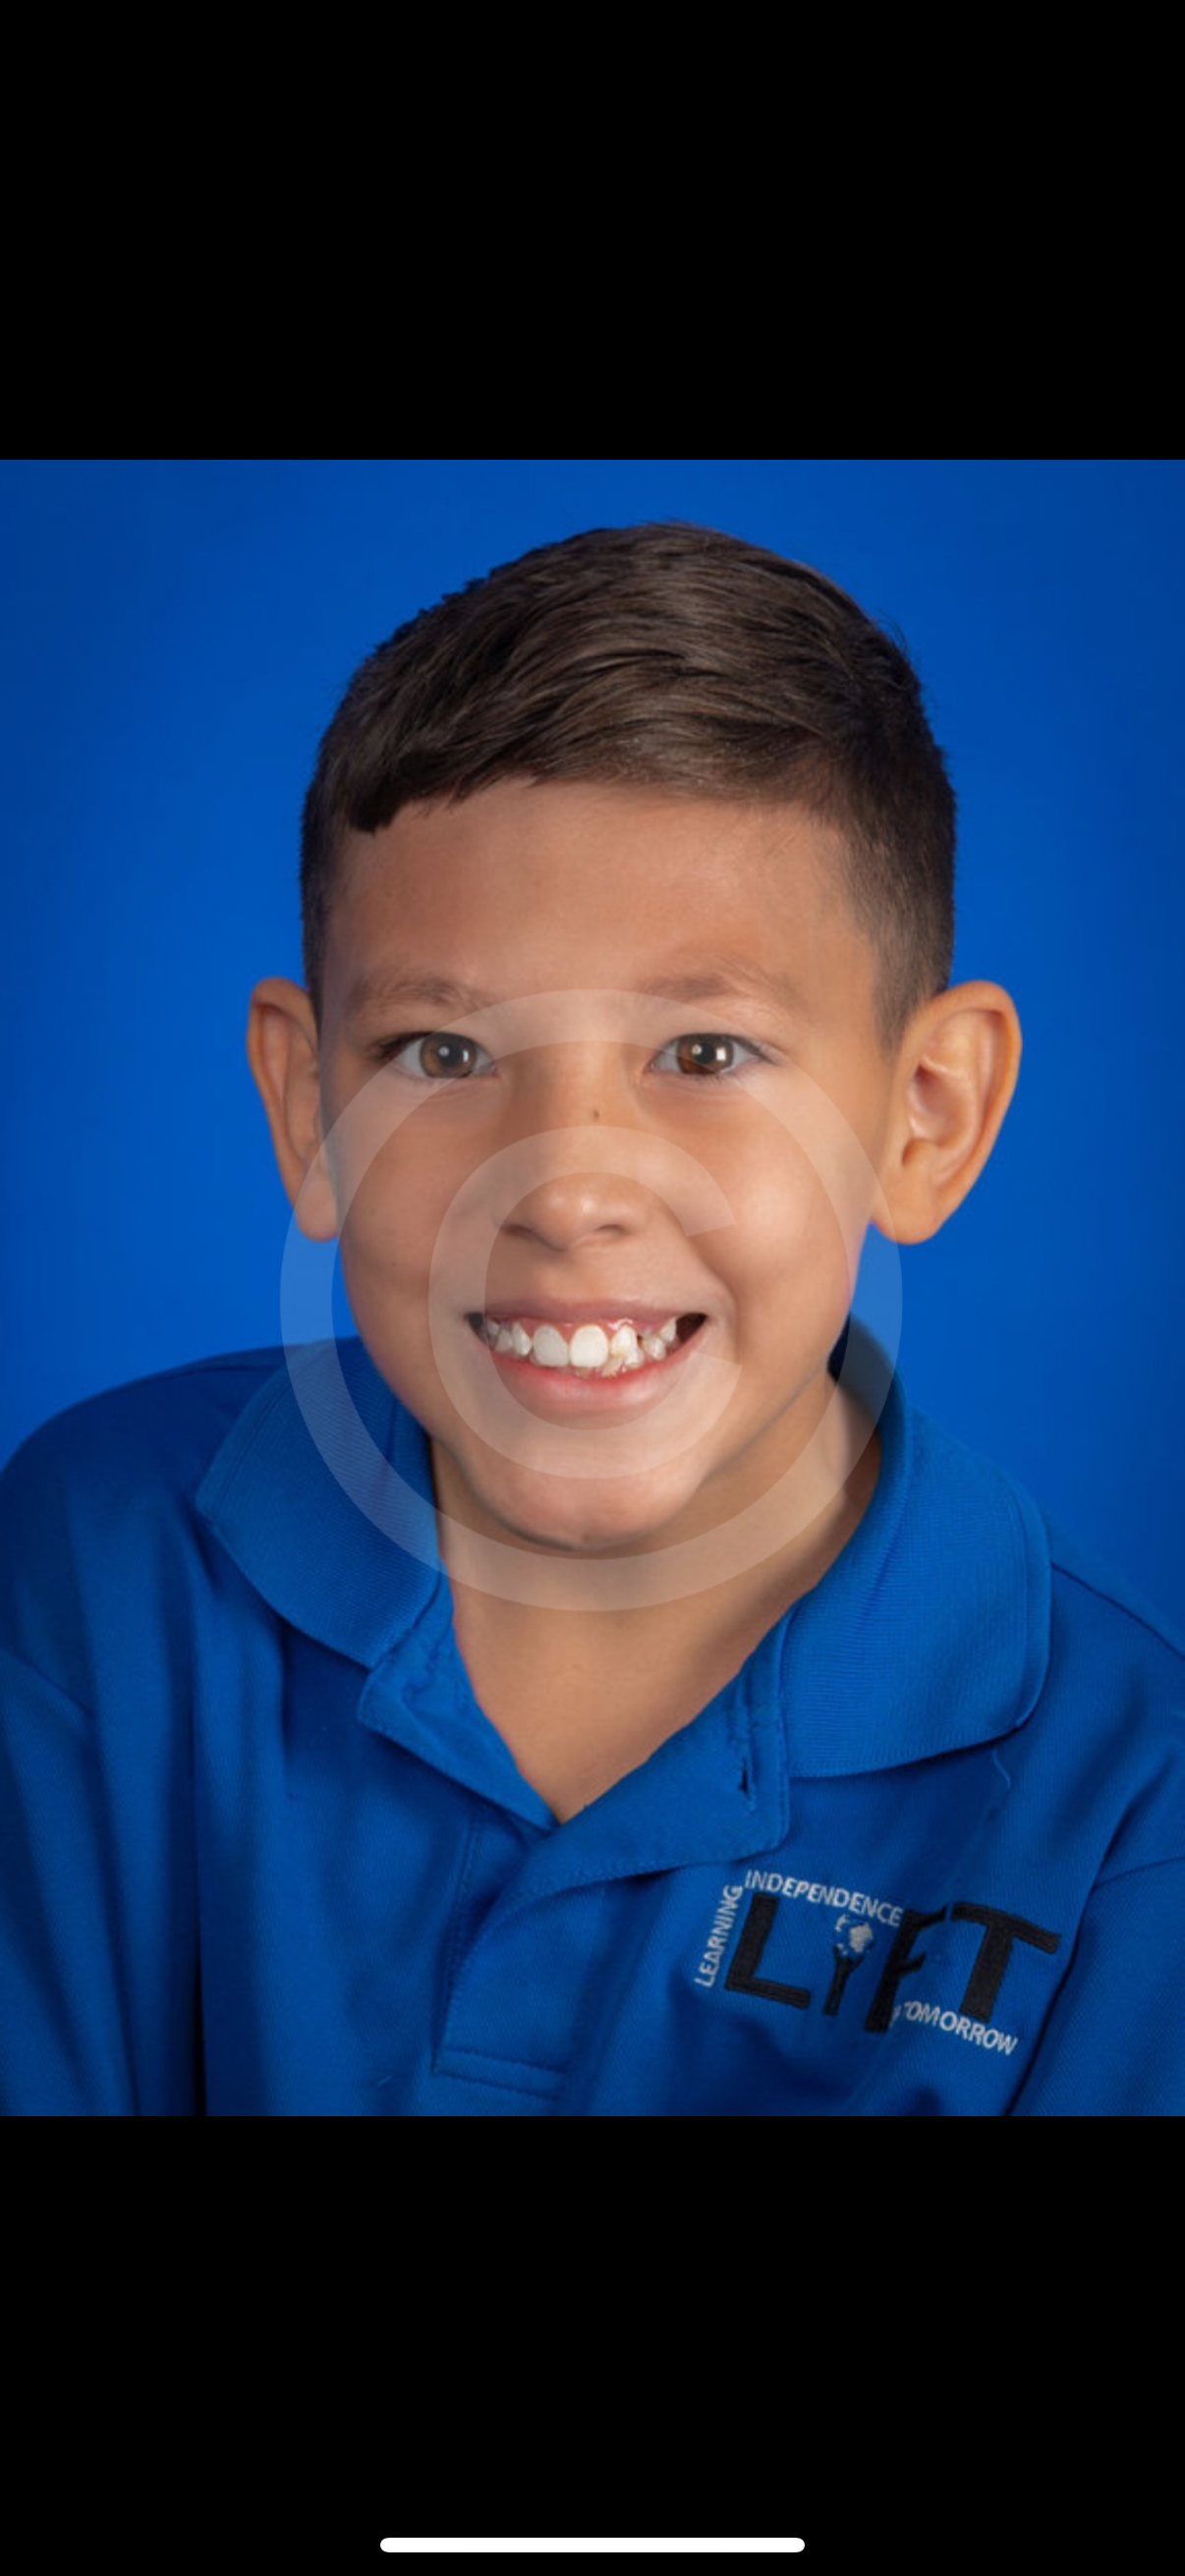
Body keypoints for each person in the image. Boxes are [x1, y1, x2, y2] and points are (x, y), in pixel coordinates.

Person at [3, 521, 1183, 2115]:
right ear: (305, 1105)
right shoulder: (92, 1570)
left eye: (703, 1054)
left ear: (924, 1113)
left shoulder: (1126, 1808)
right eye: (443, 1054)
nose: (563, 1194)